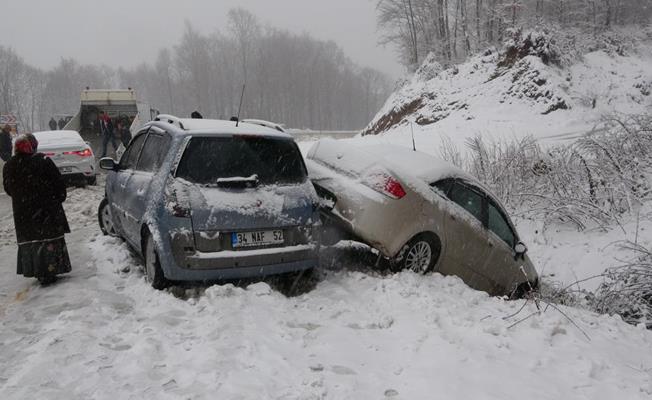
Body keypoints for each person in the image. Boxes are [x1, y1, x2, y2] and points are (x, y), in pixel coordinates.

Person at [3, 134, 71, 285]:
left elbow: (8, 189)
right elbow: (58, 183)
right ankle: (52, 268)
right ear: (32, 146)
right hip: (47, 210)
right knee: (48, 239)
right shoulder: (43, 161)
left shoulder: (9, 165)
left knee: (32, 240)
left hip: (24, 214)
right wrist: (59, 197)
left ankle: (36, 269)